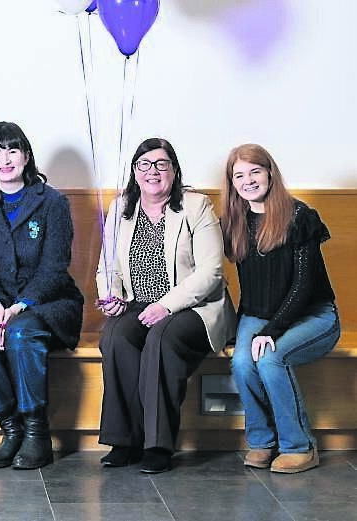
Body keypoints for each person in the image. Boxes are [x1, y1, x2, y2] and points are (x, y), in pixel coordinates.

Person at [95, 137, 236, 473]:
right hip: (138, 304)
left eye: (161, 164)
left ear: (174, 169)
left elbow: (211, 272)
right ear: (134, 171)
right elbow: (107, 266)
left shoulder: (195, 205)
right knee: (115, 337)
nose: (152, 171)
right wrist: (112, 296)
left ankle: (157, 444)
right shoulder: (121, 206)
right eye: (144, 164)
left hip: (194, 308)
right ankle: (125, 440)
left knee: (161, 337)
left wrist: (167, 306)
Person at [0, 121, 83, 470]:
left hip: (47, 301)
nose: (5, 159)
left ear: (26, 157)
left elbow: (55, 267)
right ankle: (10, 427)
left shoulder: (53, 203)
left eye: (12, 150)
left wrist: (21, 305)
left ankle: (36, 432)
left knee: (21, 331)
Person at [221, 144, 339, 473]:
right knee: (243, 363)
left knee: (270, 357)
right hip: (257, 315)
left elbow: (303, 289)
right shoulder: (233, 222)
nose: (248, 181)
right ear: (232, 183)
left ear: (270, 173)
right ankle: (262, 441)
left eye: (254, 171)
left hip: (314, 316)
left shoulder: (300, 217)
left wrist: (270, 332)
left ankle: (299, 446)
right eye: (239, 175)